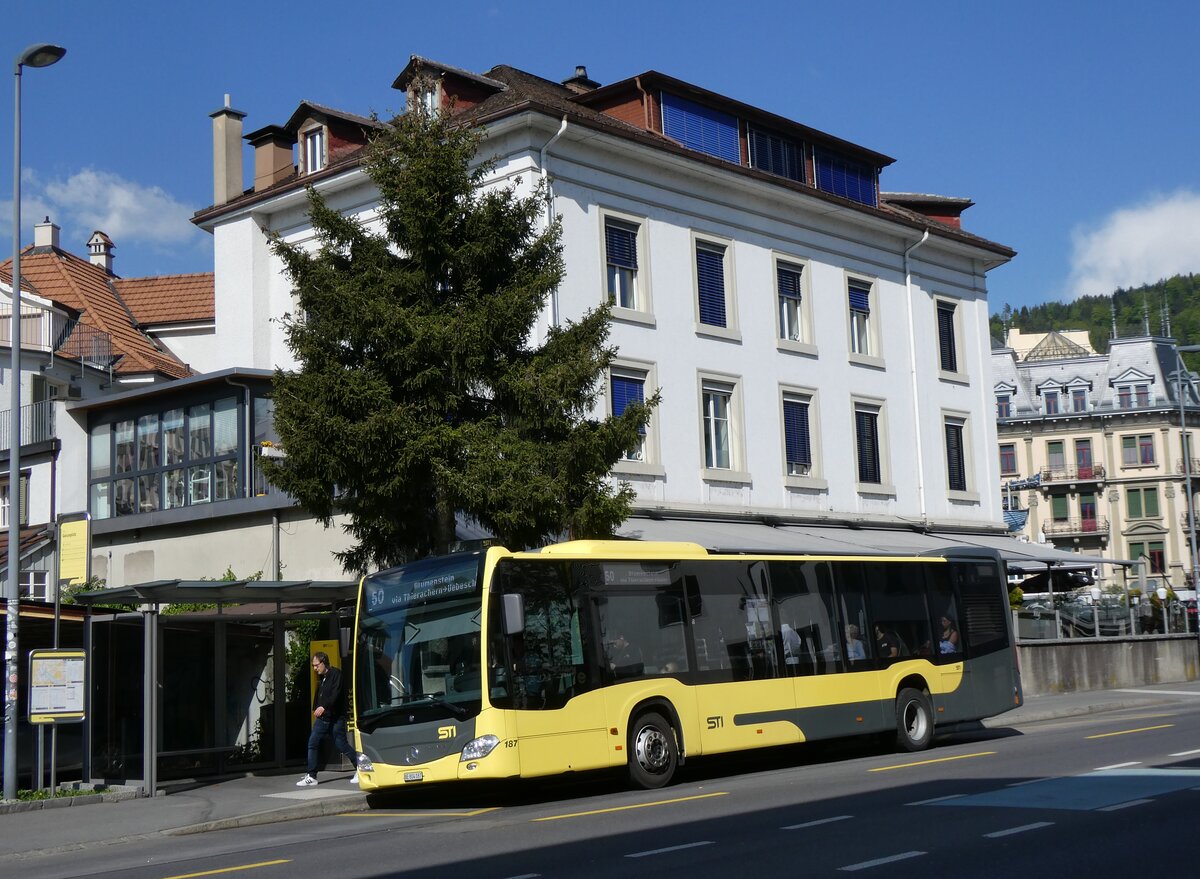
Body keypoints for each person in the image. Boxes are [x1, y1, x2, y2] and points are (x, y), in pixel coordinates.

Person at [297, 651, 360, 787]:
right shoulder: (322, 677)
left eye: (316, 665)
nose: (314, 668)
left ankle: (361, 768)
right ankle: (312, 775)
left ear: (324, 662)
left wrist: (323, 707)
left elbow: (335, 694)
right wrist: (316, 707)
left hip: (336, 718)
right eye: (313, 666)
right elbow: (320, 695)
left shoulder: (336, 674)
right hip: (323, 719)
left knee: (341, 744)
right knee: (312, 743)